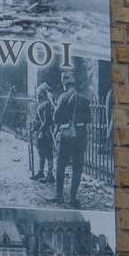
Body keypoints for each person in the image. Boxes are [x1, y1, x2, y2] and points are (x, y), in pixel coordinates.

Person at [54, 71, 91, 207]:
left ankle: (58, 195)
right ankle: (73, 199)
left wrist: (67, 120)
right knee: (77, 167)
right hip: (81, 136)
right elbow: (89, 119)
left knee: (61, 164)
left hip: (67, 136)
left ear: (65, 84)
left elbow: (56, 118)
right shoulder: (85, 99)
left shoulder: (63, 97)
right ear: (74, 83)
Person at [31, 83, 55, 183]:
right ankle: (40, 172)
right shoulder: (41, 104)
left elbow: (47, 120)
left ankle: (50, 175)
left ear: (43, 93)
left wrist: (41, 130)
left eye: (39, 92)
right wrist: (34, 127)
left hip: (46, 133)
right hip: (40, 132)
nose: (37, 94)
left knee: (48, 153)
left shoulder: (47, 104)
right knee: (41, 152)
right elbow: (38, 119)